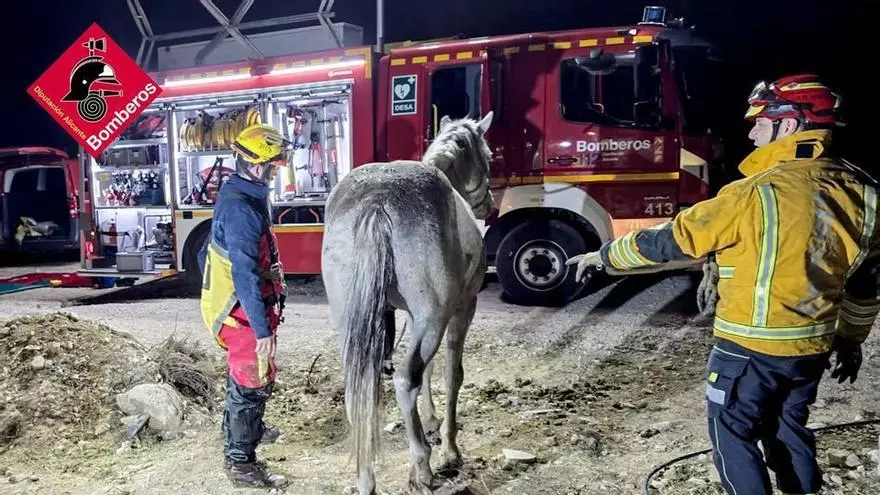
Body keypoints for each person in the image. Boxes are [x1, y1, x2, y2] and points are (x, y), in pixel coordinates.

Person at [566, 74, 879, 495]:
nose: (751, 132)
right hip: (812, 349)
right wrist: (851, 341)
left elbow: (670, 240)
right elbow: (866, 284)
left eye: (759, 121)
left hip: (749, 350)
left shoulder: (754, 193)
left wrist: (603, 256)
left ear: (788, 126)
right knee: (789, 431)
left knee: (733, 436)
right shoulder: (866, 194)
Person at [199, 123, 292, 488]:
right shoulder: (242, 209)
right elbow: (244, 274)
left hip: (241, 308)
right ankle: (241, 463)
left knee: (253, 378)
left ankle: (249, 426)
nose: (274, 173)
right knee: (250, 381)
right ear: (256, 166)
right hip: (237, 313)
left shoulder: (243, 192)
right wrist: (262, 329)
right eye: (272, 167)